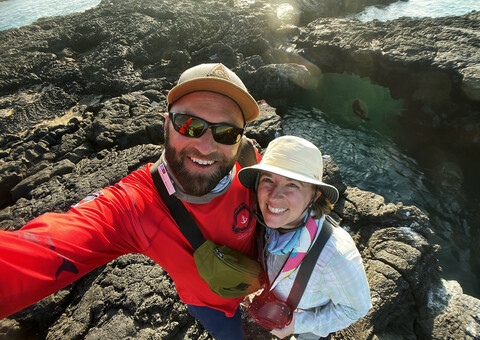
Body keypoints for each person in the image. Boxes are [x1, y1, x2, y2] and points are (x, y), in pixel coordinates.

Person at [0, 63, 262, 340]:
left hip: (262, 280)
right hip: (212, 307)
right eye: (189, 125)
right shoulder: (134, 205)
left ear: (240, 139)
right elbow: (35, 255)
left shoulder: (248, 160)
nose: (206, 147)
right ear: (166, 125)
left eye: (226, 133)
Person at [238, 136, 372, 339]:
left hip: (307, 324)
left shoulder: (336, 256)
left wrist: (297, 325)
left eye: (292, 184)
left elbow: (356, 309)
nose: (273, 196)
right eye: (267, 179)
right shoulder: (266, 222)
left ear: (314, 196)